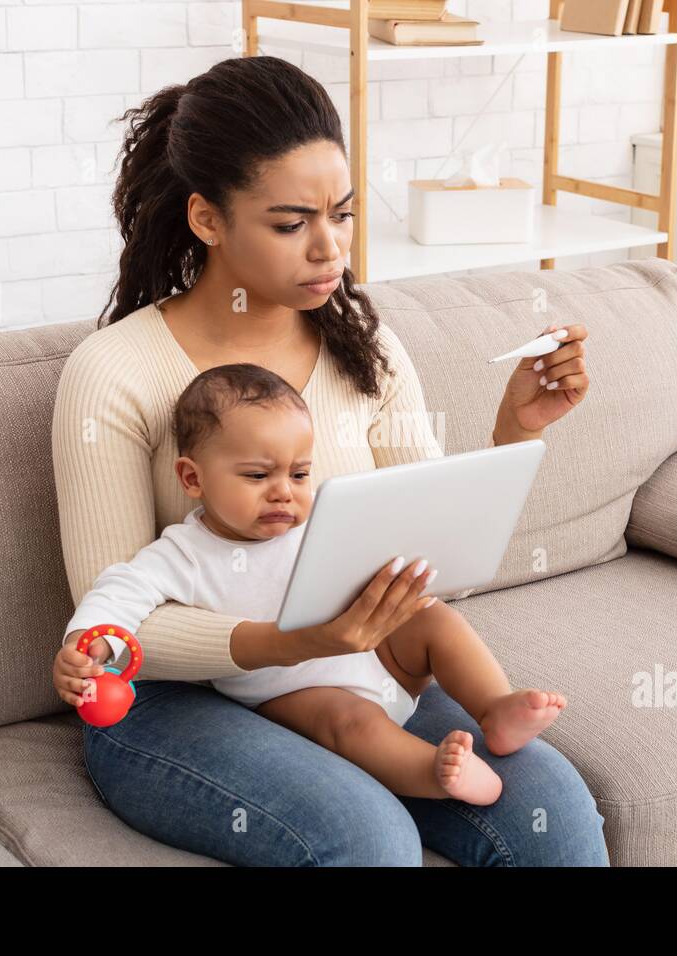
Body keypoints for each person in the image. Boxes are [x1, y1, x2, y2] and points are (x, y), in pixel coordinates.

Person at [50, 54, 603, 866]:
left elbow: (435, 570)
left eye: (341, 215)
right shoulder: (114, 373)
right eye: (289, 223)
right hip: (167, 702)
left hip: (350, 667)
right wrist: (292, 640)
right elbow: (117, 627)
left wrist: (515, 433)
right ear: (208, 219)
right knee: (367, 840)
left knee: (553, 808)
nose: (328, 249)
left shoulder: (363, 344)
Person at [61, 362, 569, 807]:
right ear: (192, 479)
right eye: (258, 476)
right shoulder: (183, 554)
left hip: (383, 659)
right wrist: (90, 646)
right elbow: (118, 592)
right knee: (350, 723)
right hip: (298, 691)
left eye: (300, 473)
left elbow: (422, 537)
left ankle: (493, 707)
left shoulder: (326, 520)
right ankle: (435, 774)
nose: (284, 492)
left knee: (434, 619)